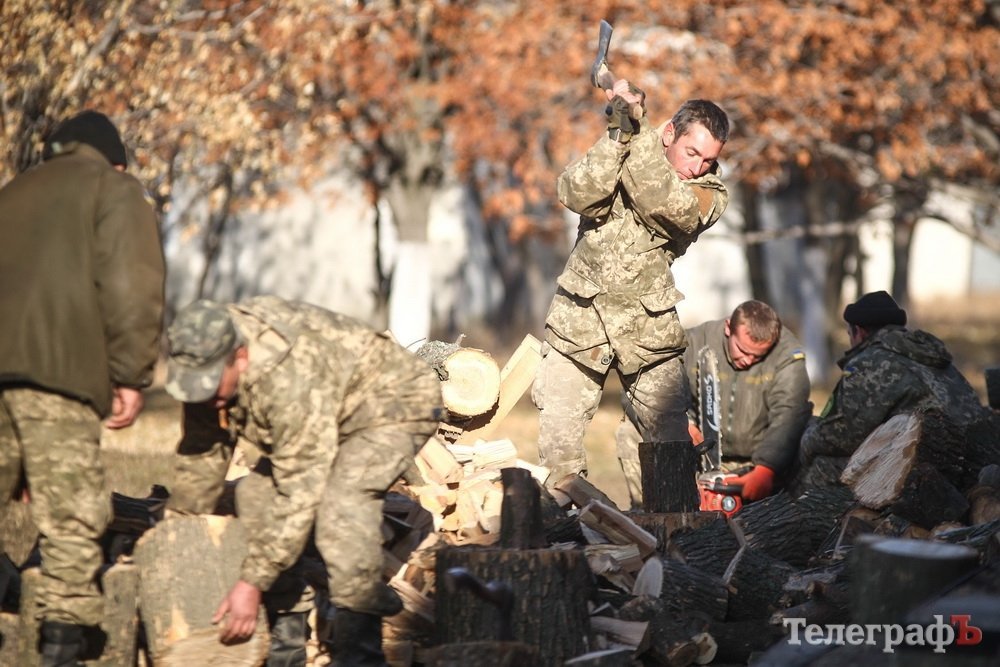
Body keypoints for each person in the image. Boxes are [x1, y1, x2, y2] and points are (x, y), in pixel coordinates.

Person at [163, 296, 441, 666]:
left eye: (211, 385)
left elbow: (300, 490)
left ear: (240, 357)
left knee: (344, 506)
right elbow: (202, 455)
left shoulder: (287, 378)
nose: (206, 396)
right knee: (256, 495)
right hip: (328, 408)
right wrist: (179, 535)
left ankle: (360, 651)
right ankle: (287, 647)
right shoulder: (206, 357)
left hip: (393, 401)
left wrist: (251, 583)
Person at [0, 110, 165, 665]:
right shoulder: (113, 190)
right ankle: (62, 646)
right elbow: (131, 285)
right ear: (115, 160)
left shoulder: (14, 191)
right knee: (73, 517)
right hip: (58, 376)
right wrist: (130, 374)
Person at [532, 79, 730, 499]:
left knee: (671, 454)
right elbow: (576, 193)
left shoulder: (711, 191)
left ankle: (676, 535)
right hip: (578, 322)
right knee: (558, 454)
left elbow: (664, 203)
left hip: (648, 334)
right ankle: (567, 532)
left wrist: (635, 133)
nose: (698, 167)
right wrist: (619, 130)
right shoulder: (624, 143)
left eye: (708, 160)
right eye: (692, 153)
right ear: (670, 134)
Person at [615, 300, 812, 505]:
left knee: (812, 433)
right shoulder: (693, 342)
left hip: (757, 462)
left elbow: (790, 413)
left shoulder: (787, 354)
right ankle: (651, 510)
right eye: (743, 350)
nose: (748, 360)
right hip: (697, 458)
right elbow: (638, 392)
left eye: (758, 356)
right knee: (629, 432)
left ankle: (800, 510)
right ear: (728, 328)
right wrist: (679, 426)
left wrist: (767, 469)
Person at [797, 290, 987, 482]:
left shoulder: (871, 361)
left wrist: (807, 440)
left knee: (822, 465)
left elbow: (847, 436)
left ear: (859, 332)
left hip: (930, 469)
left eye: (849, 334)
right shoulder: (925, 353)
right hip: (976, 460)